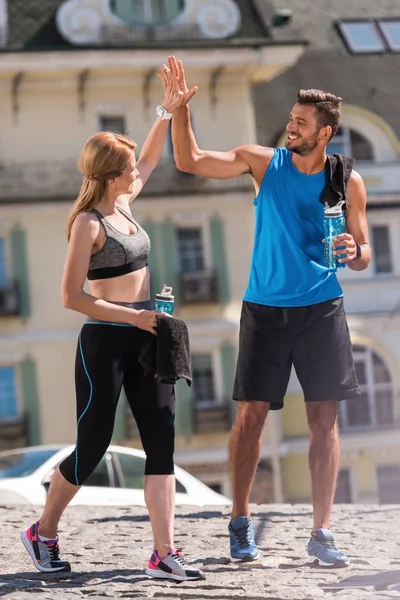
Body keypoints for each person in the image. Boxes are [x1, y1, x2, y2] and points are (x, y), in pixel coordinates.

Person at [166, 55, 370, 567]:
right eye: (291, 120)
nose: (291, 127)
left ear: (324, 133)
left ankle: (321, 531)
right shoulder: (263, 162)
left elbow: (365, 252)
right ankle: (239, 522)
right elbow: (190, 161)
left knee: (325, 419)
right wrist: (178, 113)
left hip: (323, 309)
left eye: (301, 123)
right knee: (250, 417)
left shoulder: (348, 180)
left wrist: (354, 251)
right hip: (266, 309)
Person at [20, 64, 202, 582]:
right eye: (125, 171)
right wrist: (134, 317)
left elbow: (148, 157)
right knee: (94, 443)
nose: (135, 175)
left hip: (149, 337)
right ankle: (44, 532)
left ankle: (163, 553)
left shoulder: (124, 203)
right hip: (105, 342)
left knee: (161, 440)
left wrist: (166, 111)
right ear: (107, 175)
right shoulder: (88, 224)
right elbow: (71, 297)